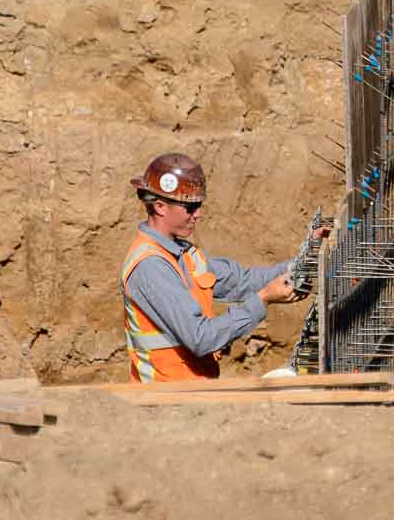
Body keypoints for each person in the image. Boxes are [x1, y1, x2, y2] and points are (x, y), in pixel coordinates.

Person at [120, 152, 328, 383]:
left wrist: (307, 259)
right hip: (165, 402)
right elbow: (201, 338)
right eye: (190, 207)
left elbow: (243, 281)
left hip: (194, 395)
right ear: (160, 206)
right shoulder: (150, 267)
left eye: (199, 205)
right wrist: (263, 299)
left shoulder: (184, 255)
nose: (198, 214)